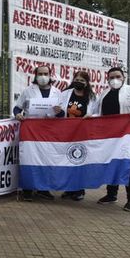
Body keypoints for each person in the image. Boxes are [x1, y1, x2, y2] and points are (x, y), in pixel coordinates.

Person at [94, 67, 130, 211]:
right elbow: (98, 113)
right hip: (109, 138)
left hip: (128, 138)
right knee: (111, 165)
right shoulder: (104, 93)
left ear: (123, 77)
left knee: (129, 167)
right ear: (107, 79)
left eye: (118, 76)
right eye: (111, 77)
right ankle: (111, 194)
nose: (115, 79)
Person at [14, 65, 61, 201]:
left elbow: (61, 113)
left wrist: (59, 111)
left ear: (50, 75)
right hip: (31, 131)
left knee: (47, 159)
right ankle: (27, 189)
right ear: (35, 75)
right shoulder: (28, 91)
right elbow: (17, 108)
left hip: (49, 131)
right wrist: (18, 115)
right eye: (40, 74)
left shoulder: (57, 92)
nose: (43, 77)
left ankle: (43, 189)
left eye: (45, 74)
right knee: (29, 159)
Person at [53, 71, 98, 201]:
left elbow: (98, 113)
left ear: (87, 83)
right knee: (67, 160)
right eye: (77, 79)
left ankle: (79, 190)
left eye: (82, 81)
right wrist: (58, 112)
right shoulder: (65, 94)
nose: (79, 82)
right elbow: (60, 113)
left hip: (83, 134)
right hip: (67, 132)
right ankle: (69, 189)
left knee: (80, 160)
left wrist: (92, 116)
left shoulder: (93, 97)